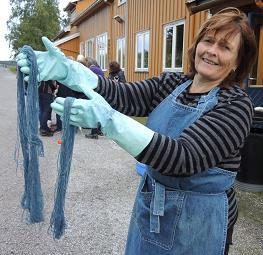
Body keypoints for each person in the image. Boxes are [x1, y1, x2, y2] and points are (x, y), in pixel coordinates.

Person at [17, 7, 257, 254]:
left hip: (199, 224)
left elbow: (183, 158)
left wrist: (110, 122)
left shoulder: (235, 105)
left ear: (238, 62)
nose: (212, 51)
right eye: (208, 41)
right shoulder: (171, 83)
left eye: (225, 47)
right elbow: (122, 95)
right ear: (197, 45)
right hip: (152, 210)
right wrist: (70, 72)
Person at [85, 57, 104, 139]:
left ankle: (94, 133)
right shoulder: (100, 70)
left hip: (94, 92)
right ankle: (99, 130)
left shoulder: (91, 70)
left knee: (93, 112)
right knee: (99, 112)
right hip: (101, 92)